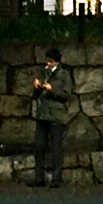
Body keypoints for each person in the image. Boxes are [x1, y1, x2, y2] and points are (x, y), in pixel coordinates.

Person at [30, 46, 71, 188]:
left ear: (56, 62)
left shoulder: (64, 75)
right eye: (47, 61)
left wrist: (52, 90)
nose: (48, 64)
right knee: (39, 145)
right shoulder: (43, 73)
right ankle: (39, 177)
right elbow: (36, 96)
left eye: (51, 61)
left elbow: (66, 95)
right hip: (43, 114)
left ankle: (57, 179)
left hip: (57, 115)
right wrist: (37, 88)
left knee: (56, 148)